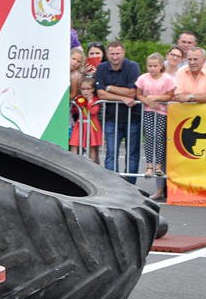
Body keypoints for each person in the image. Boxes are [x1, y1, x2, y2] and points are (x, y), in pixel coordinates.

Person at [95, 41, 142, 181]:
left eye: (118, 54)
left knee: (132, 153)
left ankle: (131, 187)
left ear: (123, 53)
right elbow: (101, 94)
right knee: (111, 153)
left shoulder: (133, 67)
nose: (115, 57)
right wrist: (122, 98)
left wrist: (110, 88)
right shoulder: (101, 68)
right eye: (112, 54)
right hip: (111, 119)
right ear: (107, 54)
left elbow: (132, 93)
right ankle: (113, 185)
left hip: (132, 118)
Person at [135, 53, 176, 192]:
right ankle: (148, 166)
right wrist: (147, 101)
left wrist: (155, 98)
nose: (152, 69)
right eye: (150, 66)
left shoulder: (167, 79)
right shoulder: (142, 78)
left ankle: (158, 166)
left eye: (155, 66)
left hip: (162, 112)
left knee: (159, 138)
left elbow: (170, 95)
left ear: (160, 66)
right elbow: (138, 94)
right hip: (148, 111)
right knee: (149, 138)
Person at [69, 71, 101, 163]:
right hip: (80, 124)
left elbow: (93, 111)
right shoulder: (79, 98)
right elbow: (74, 111)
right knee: (74, 143)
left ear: (93, 89)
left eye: (88, 89)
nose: (85, 91)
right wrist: (76, 105)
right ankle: (73, 163)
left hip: (92, 125)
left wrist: (89, 102)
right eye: (83, 89)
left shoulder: (95, 99)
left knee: (92, 146)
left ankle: (92, 165)